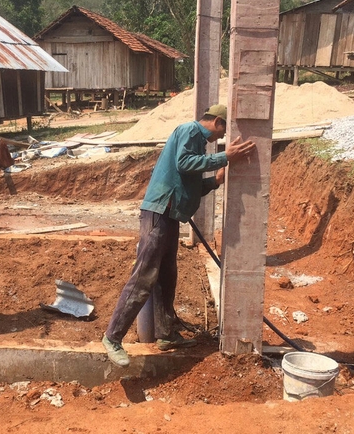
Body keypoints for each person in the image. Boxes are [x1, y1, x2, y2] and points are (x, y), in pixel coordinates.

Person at [101, 104, 256, 367]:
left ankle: (166, 334)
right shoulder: (190, 131)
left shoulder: (197, 140)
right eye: (223, 131)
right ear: (217, 121)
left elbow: (189, 181)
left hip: (170, 215)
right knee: (144, 276)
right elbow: (184, 165)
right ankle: (112, 337)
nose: (221, 138)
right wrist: (224, 158)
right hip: (159, 212)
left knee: (166, 276)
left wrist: (215, 181)